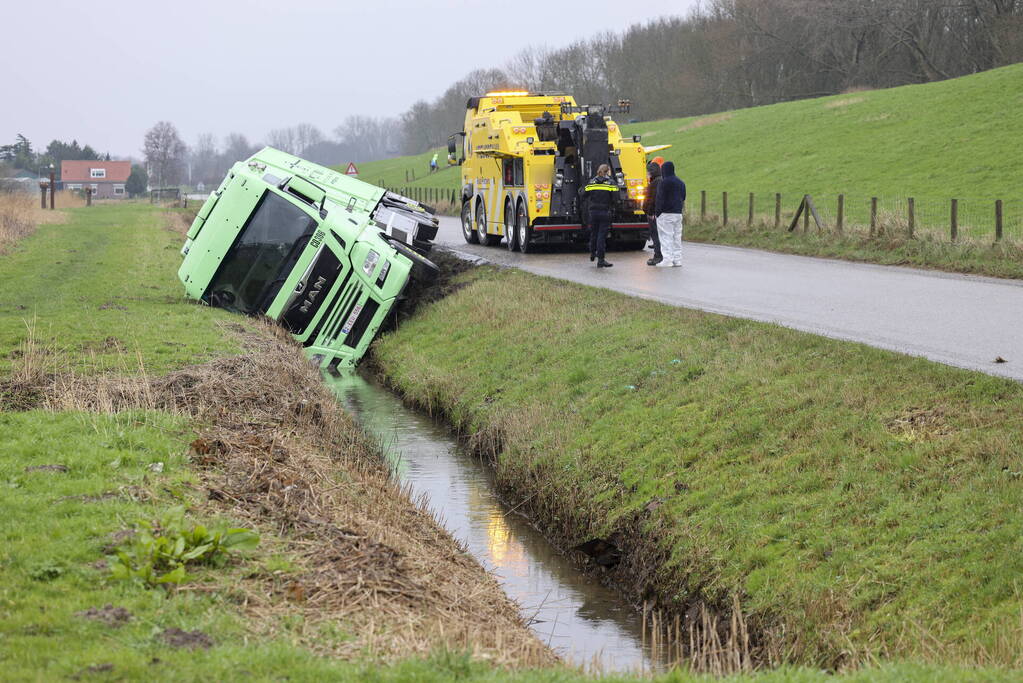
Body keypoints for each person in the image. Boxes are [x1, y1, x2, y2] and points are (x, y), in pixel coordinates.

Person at [582, 163, 618, 268]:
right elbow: (616, 198)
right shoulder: (611, 183)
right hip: (605, 212)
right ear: (607, 172)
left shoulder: (592, 182)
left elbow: (584, 194)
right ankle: (601, 260)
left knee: (594, 233)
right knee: (601, 236)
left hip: (593, 212)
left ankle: (592, 253)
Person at [654, 161, 686, 268]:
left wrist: (657, 212)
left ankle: (667, 260)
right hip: (678, 213)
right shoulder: (681, 183)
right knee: (677, 237)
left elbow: (660, 199)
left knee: (665, 237)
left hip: (665, 214)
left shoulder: (663, 183)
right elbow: (683, 197)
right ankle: (678, 260)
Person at [643, 161, 663, 266]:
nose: (647, 174)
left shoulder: (655, 183)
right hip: (658, 213)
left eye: (648, 172)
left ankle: (657, 256)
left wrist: (649, 211)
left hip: (653, 214)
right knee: (661, 235)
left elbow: (652, 199)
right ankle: (662, 256)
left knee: (656, 236)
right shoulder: (660, 181)